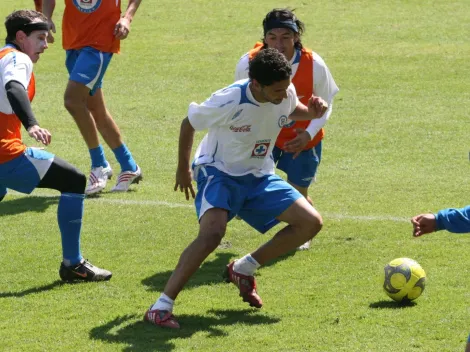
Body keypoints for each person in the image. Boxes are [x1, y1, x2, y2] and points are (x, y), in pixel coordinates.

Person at [144, 48, 328, 329]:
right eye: (277, 90)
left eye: (285, 88)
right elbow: (188, 123)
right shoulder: (229, 99)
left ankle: (244, 268)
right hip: (218, 172)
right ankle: (161, 307)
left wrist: (311, 112)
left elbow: (292, 110)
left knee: (310, 222)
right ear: (256, 84)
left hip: (258, 174)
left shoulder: (284, 90)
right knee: (212, 234)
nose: (284, 94)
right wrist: (183, 169)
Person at [0, 10, 112, 281]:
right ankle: (73, 264)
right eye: (40, 37)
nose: (46, 44)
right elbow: (13, 87)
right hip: (6, 153)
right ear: (20, 36)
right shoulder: (18, 59)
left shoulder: (3, 55)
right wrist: (32, 124)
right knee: (73, 180)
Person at [235, 8, 339, 250]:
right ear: (264, 38)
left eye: (285, 37)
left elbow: (327, 102)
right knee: (254, 182)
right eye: (272, 37)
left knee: (298, 189)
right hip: (264, 136)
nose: (278, 44)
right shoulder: (248, 62)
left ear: (296, 37)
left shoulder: (314, 64)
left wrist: (308, 134)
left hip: (302, 138)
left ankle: (304, 228)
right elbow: (240, 101)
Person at [41, 0, 142, 194]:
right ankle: (129, 165)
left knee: (72, 101)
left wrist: (127, 17)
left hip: (100, 41)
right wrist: (46, 17)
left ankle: (99, 164)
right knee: (95, 108)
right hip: (73, 39)